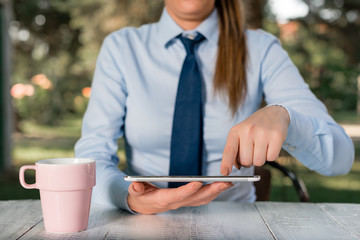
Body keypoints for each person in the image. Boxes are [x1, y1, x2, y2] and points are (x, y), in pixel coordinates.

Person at [75, 0, 354, 214]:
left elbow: (340, 158)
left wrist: (287, 119)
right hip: (143, 223)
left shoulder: (261, 49)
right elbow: (92, 154)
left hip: (237, 223)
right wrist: (128, 197)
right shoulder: (122, 48)